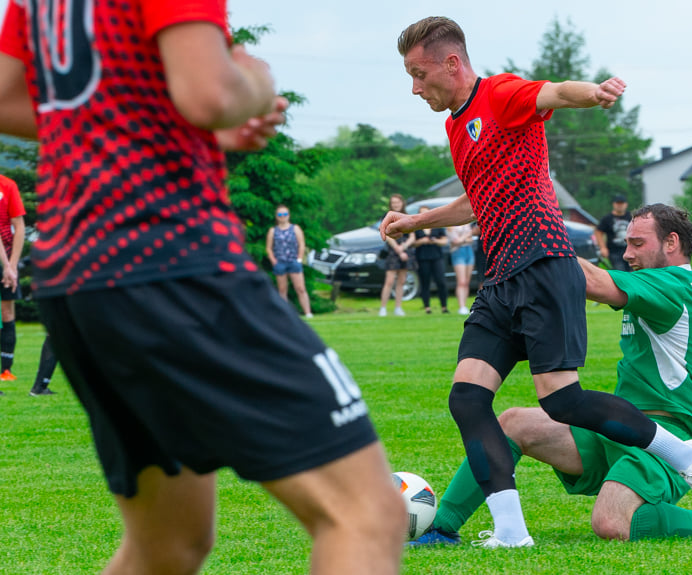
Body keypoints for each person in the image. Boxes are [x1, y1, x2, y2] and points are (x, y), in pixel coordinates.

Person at [0, 3, 405, 574]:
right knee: (367, 515)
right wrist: (255, 82)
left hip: (77, 278)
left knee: (167, 545)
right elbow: (212, 94)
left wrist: (175, 116)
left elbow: (11, 97)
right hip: (170, 261)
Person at [385, 17, 692, 549]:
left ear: (452, 63)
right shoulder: (456, 126)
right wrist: (415, 221)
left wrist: (595, 93)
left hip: (543, 265)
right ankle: (512, 533)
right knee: (467, 400)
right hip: (498, 279)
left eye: (418, 73)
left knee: (563, 402)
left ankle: (687, 457)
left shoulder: (498, 93)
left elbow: (554, 93)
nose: (414, 87)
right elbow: (479, 198)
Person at [412, 204, 692, 546]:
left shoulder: (675, 285)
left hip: (671, 434)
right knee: (514, 423)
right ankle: (440, 528)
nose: (627, 254)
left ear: (672, 243)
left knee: (612, 522)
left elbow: (592, 281)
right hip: (620, 429)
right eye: (627, 243)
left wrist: (531, 241)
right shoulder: (665, 285)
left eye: (638, 244)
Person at [266, 204, 313, 318]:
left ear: (289, 215)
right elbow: (268, 248)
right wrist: (273, 261)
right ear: (277, 216)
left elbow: (301, 244)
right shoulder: (273, 231)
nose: (283, 216)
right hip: (280, 262)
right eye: (280, 214)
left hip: (293, 261)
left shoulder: (295, 228)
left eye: (285, 214)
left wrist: (299, 259)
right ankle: (285, 315)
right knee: (282, 290)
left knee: (300, 288)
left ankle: (308, 312)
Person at [0, 173, 25, 382]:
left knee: (7, 312)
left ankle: (6, 370)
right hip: (3, 259)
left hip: (6, 256)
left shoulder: (8, 185)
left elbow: (20, 226)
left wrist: (13, 266)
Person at [379, 194, 416, 317]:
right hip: (393, 252)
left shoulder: (407, 216)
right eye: (393, 202)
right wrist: (398, 250)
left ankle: (398, 307)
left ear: (402, 203)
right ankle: (383, 308)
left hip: (405, 250)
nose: (396, 204)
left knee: (402, 280)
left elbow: (412, 236)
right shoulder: (387, 216)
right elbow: (387, 235)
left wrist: (404, 248)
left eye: (398, 202)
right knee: (389, 280)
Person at [415, 206, 449, 314]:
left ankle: (444, 306)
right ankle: (427, 307)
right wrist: (422, 241)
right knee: (425, 282)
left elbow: (444, 241)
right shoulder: (416, 227)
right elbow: (412, 243)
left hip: (437, 256)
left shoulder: (437, 225)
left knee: (441, 281)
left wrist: (435, 241)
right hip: (422, 257)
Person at [596, 194, 632, 271]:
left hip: (629, 249)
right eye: (618, 203)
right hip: (614, 251)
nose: (620, 206)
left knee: (631, 271)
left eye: (621, 203)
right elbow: (598, 232)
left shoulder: (631, 217)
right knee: (620, 270)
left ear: (626, 204)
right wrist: (602, 247)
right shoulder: (607, 218)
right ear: (614, 204)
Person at [447, 222, 474, 314]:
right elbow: (455, 241)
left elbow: (471, 239)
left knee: (467, 281)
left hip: (469, 251)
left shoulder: (467, 224)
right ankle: (461, 306)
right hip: (457, 252)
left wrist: (463, 239)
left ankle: (465, 305)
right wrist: (466, 236)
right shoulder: (450, 225)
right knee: (461, 281)